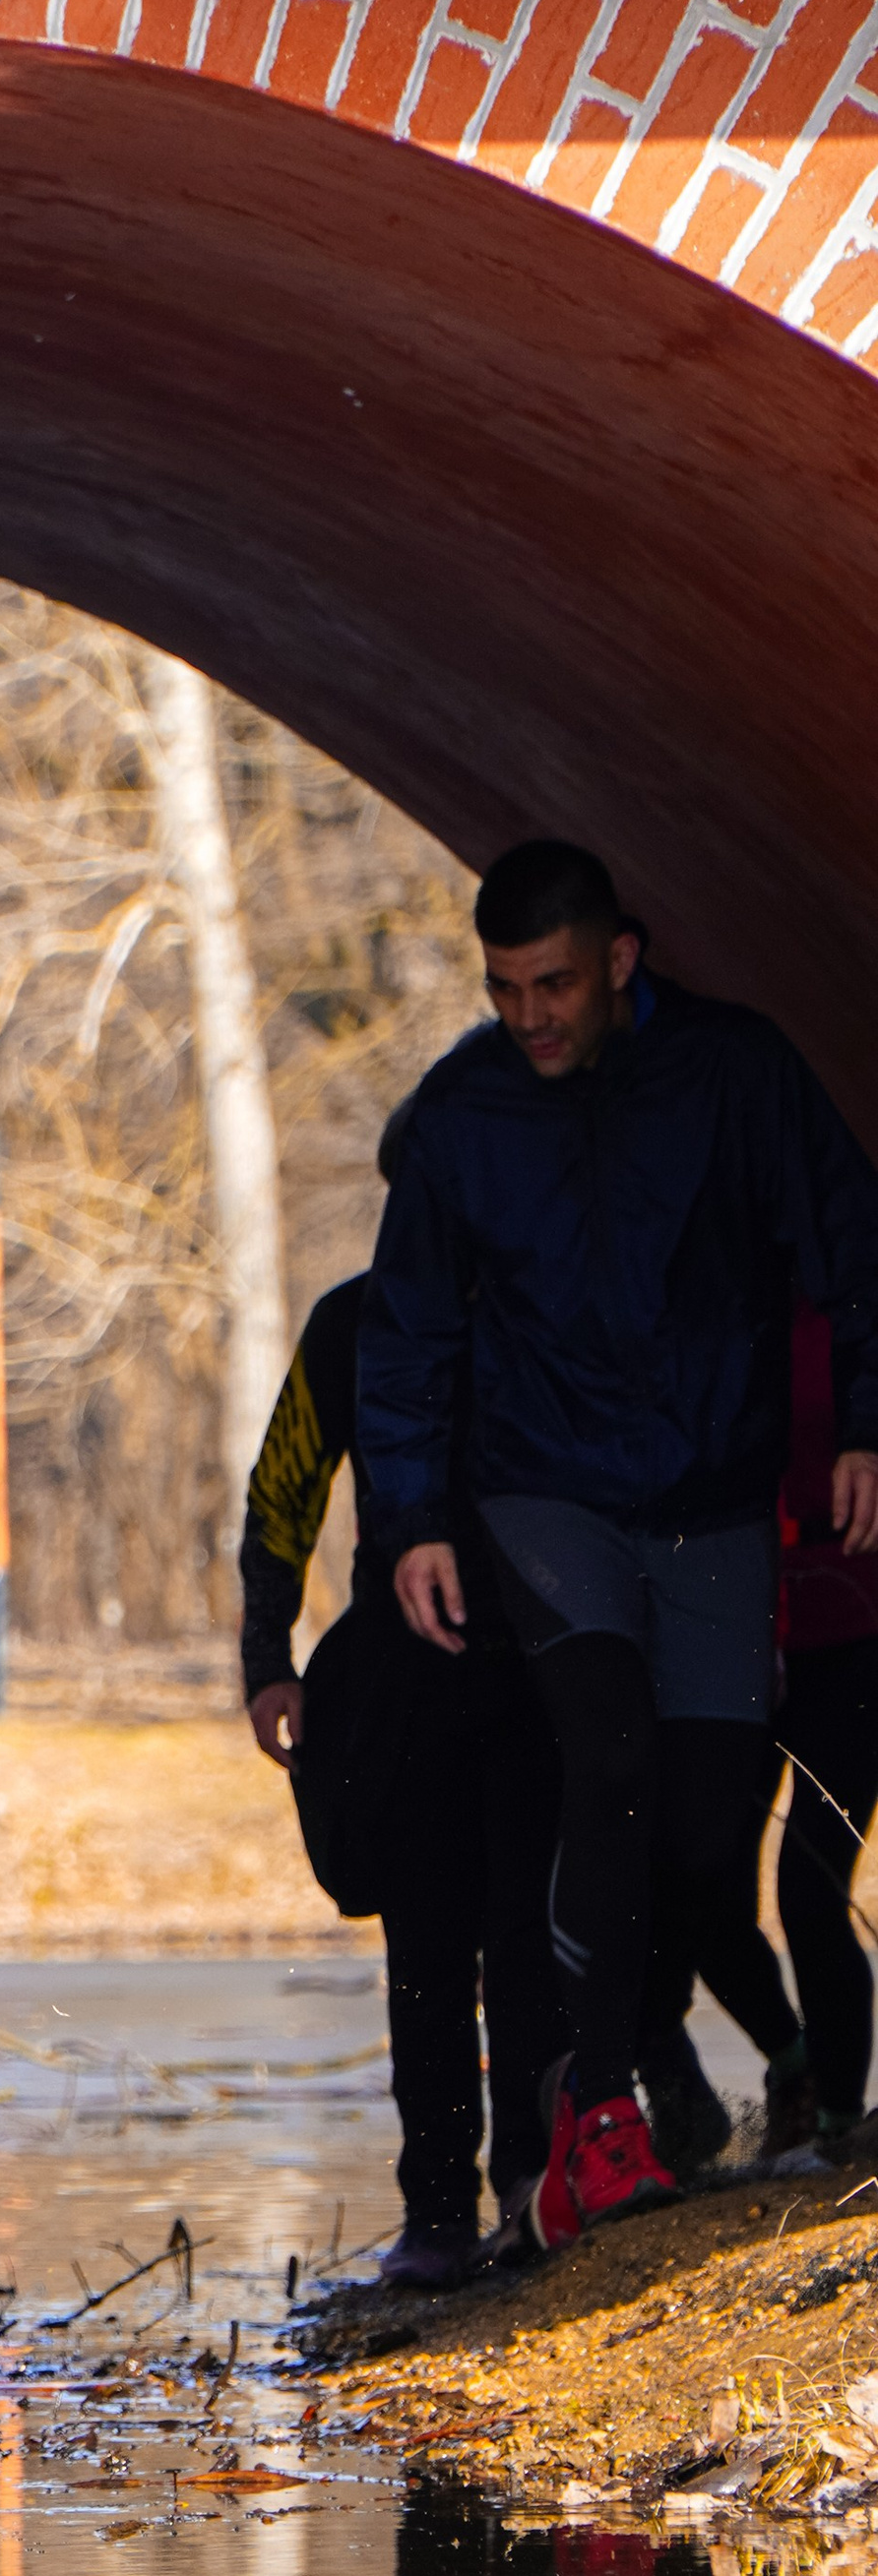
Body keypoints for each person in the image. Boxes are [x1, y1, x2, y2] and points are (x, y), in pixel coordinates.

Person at [362, 839, 878, 2248]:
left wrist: (863, 1426)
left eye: (554, 985)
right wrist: (409, 1517)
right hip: (543, 1492)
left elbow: (851, 1235)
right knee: (610, 1748)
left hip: (710, 1493)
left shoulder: (735, 1073)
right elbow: (402, 1333)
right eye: (505, 987)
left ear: (620, 962)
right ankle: (593, 2107)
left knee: (710, 1826)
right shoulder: (470, 1111)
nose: (530, 1015)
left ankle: (619, 2053)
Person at [241, 1110, 565, 2289]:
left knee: (532, 1941)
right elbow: (281, 1492)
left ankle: (536, 2181)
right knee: (426, 1951)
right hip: (403, 1691)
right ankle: (434, 2208)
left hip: (539, 1672)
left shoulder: (541, 1309)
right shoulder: (348, 1324)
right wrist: (266, 1657)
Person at [774, 1301, 878, 2148]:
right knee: (692, 1875)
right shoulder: (726, 1282)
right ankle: (795, 2060)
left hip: (858, 1619)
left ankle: (840, 2115)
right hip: (743, 1616)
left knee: (809, 1882)